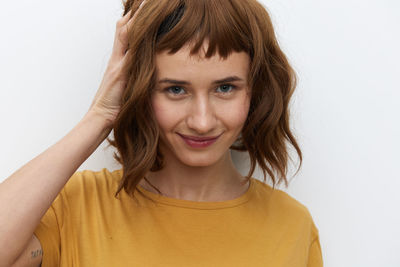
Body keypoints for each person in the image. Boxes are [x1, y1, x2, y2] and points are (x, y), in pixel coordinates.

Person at [0, 0, 323, 266]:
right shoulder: (78, 207)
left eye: (225, 88)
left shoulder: (291, 224)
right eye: (175, 90)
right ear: (140, 89)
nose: (202, 121)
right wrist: (100, 115)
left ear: (256, 90)